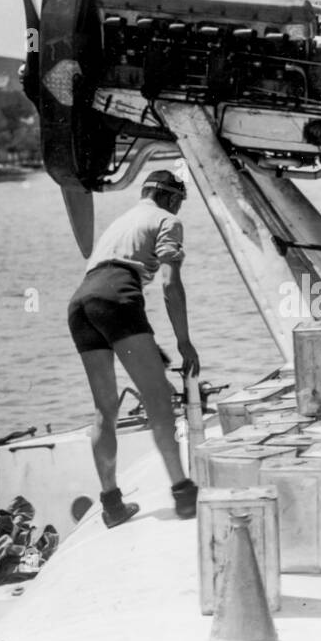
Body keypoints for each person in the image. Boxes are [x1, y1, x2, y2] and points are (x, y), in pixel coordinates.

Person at [67, 169, 200, 526]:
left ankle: (112, 505)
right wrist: (184, 343)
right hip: (117, 295)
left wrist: (152, 349)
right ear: (172, 198)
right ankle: (184, 495)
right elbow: (171, 286)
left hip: (81, 302)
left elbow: (107, 301)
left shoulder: (122, 221)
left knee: (104, 410)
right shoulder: (167, 220)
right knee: (157, 400)